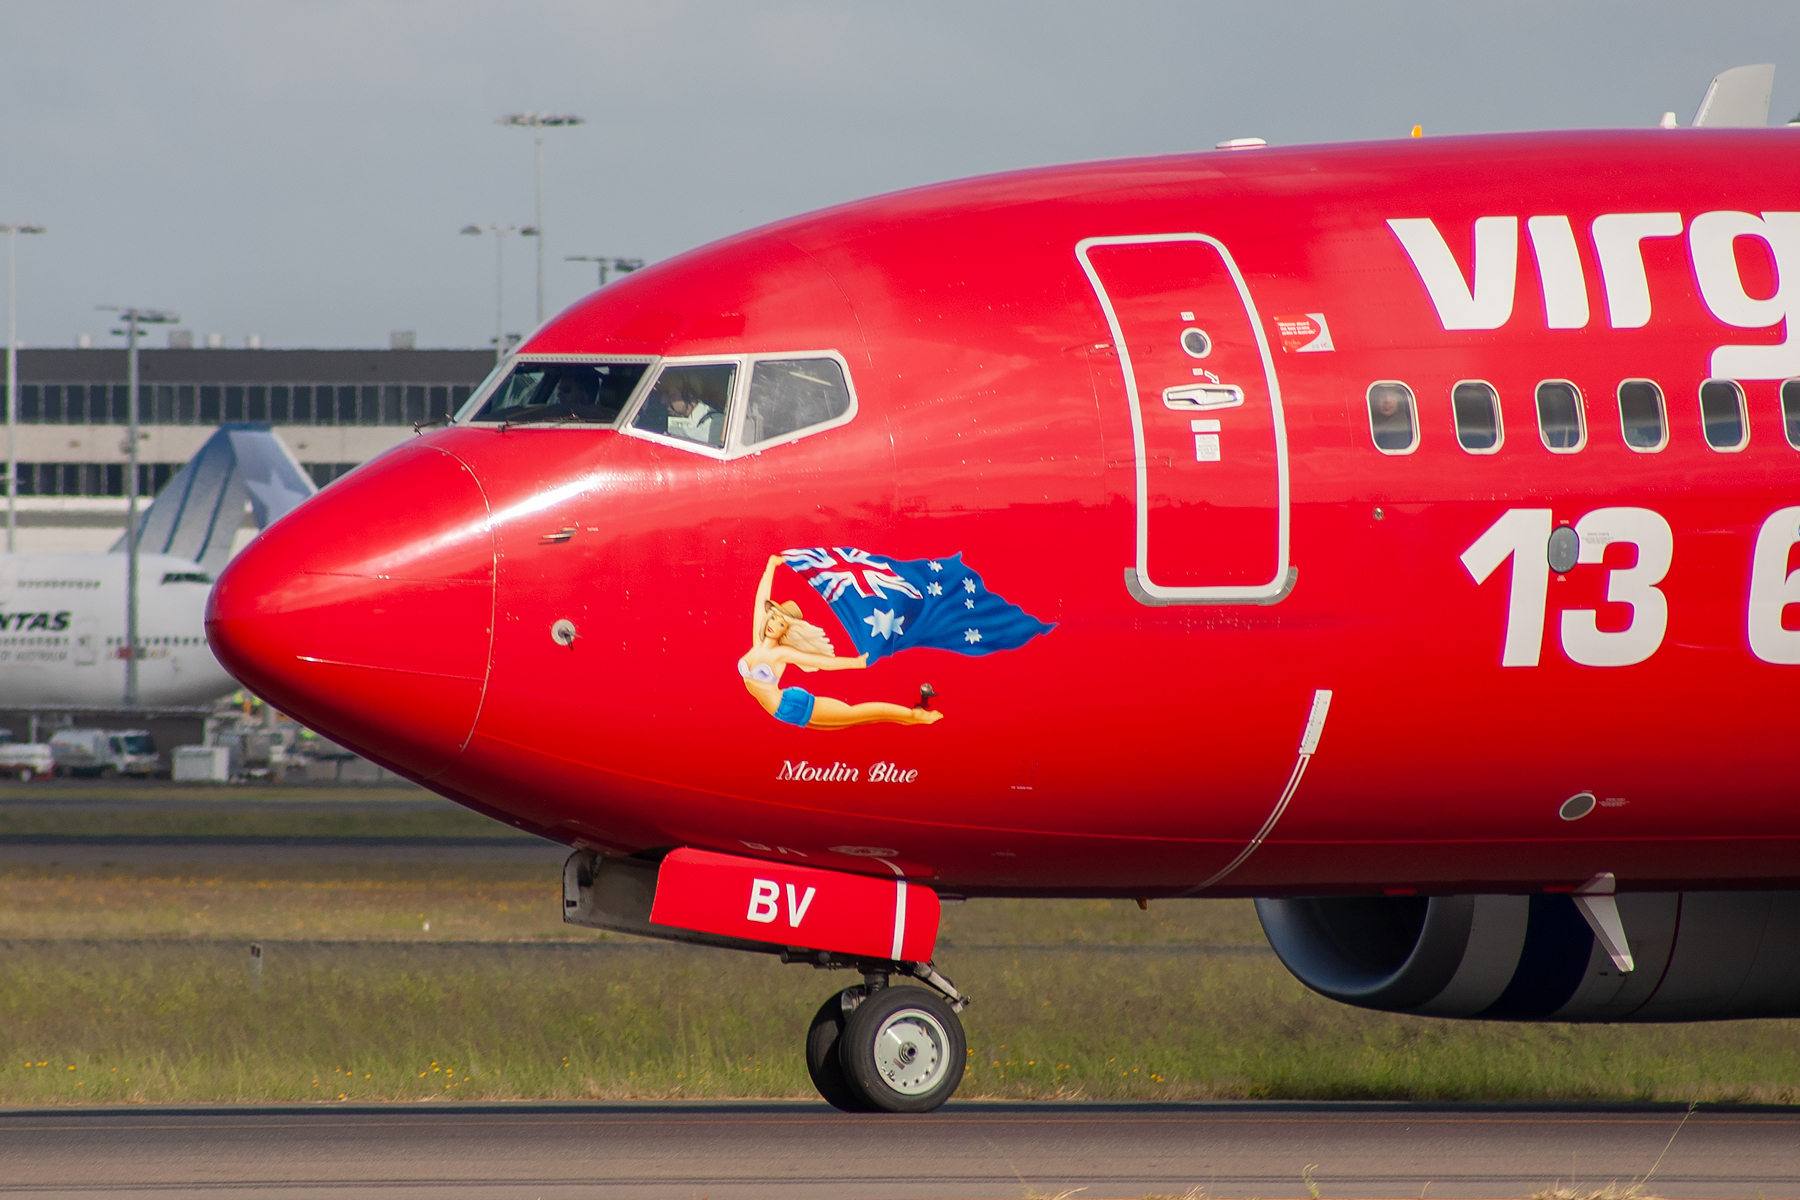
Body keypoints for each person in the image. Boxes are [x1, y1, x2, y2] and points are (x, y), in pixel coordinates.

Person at [739, 555, 942, 729]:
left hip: (790, 705)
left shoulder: (781, 653)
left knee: (853, 714)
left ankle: (914, 715)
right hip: (781, 713)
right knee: (855, 721)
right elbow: (761, 600)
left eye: (781, 623)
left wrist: (855, 663)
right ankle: (913, 716)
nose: (773, 624)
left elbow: (820, 662)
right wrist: (770, 567)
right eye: (773, 618)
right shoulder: (758, 641)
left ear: (786, 631)